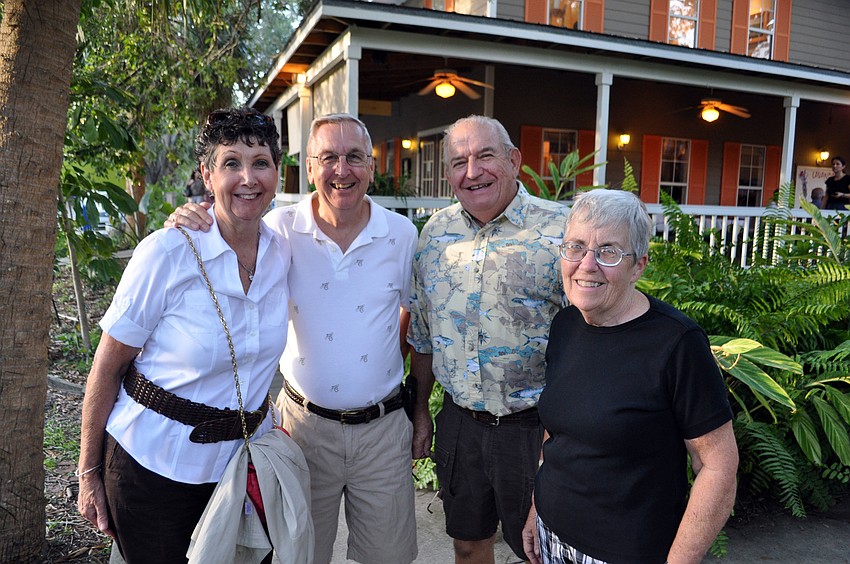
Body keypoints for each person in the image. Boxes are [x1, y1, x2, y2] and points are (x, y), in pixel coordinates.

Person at [165, 113, 419, 564]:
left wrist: (388, 375)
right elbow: (225, 231)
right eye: (329, 158)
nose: (342, 170)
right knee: (298, 554)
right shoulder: (278, 231)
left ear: (372, 166)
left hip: (382, 432)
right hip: (302, 428)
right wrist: (191, 214)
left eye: (354, 157)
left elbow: (411, 315)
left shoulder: (401, 235)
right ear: (309, 169)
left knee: (390, 557)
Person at [77, 107, 293, 563]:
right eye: (230, 163)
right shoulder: (167, 251)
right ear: (207, 174)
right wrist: (87, 471)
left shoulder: (283, 252)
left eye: (260, 162)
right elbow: (107, 366)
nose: (247, 178)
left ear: (278, 171)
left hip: (239, 466)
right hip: (153, 468)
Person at [522, 189, 738, 564]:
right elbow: (557, 432)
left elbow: (718, 467)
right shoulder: (566, 324)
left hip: (626, 551)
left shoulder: (677, 343)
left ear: (639, 265)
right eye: (575, 247)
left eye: (609, 252)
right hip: (552, 534)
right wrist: (536, 508)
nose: (587, 264)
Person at [407, 115, 568, 563]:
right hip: (460, 423)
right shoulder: (434, 235)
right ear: (448, 175)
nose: (472, 172)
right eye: (459, 162)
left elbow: (593, 336)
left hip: (536, 428)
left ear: (514, 160)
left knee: (541, 549)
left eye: (485, 156)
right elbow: (422, 334)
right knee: (467, 542)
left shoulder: (562, 231)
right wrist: (421, 412)